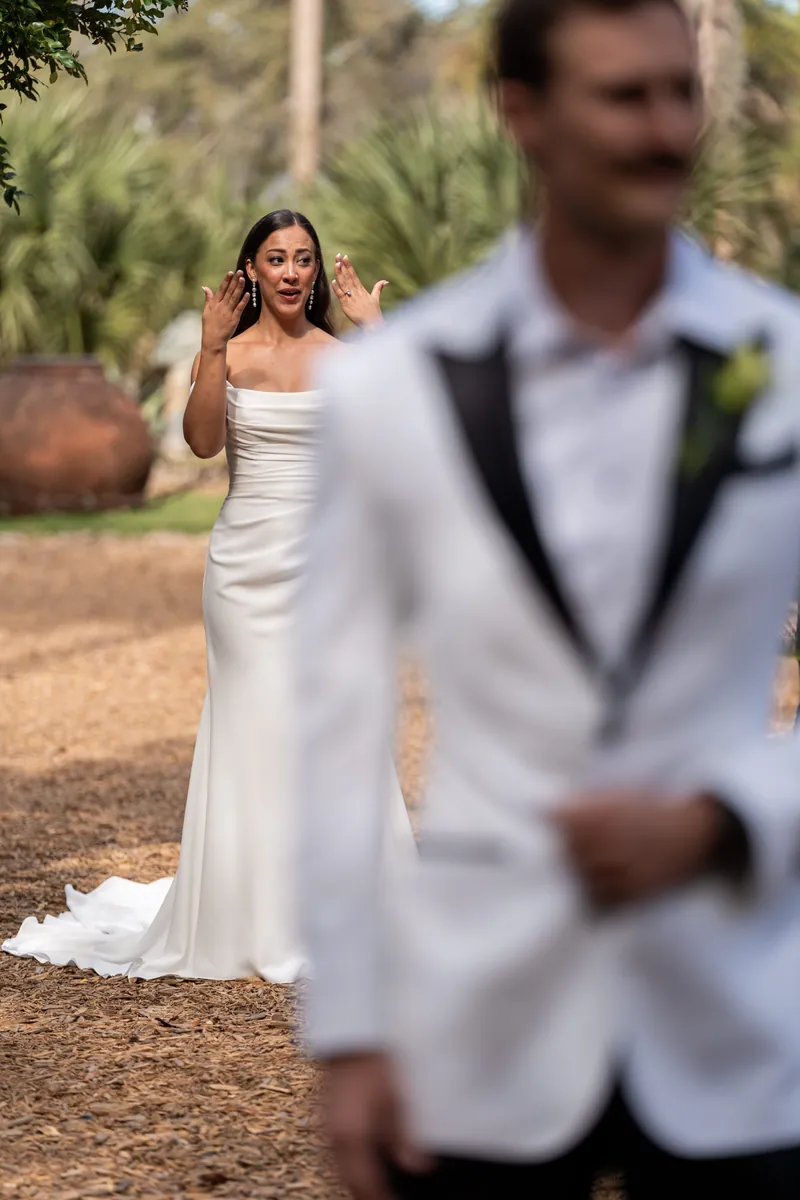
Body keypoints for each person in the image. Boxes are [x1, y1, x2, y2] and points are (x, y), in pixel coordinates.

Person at [295, 1, 800, 1197]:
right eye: (622, 96)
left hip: (741, 1013)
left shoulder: (781, 366)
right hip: (479, 1012)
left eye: (679, 93)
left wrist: (726, 816)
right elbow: (329, 716)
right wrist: (352, 1025)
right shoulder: (391, 389)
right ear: (519, 112)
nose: (665, 129)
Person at [3, 208, 412, 981]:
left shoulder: (340, 354)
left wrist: (377, 328)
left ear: (317, 273)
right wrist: (209, 349)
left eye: (302, 259)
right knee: (255, 724)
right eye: (275, 258)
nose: (291, 272)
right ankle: (249, 908)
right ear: (250, 272)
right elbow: (199, 442)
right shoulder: (231, 353)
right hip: (244, 570)